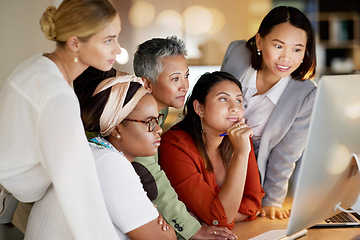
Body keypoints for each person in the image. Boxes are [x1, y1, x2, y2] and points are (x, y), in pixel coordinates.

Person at [74, 36, 238, 240]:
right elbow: (152, 176)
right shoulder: (131, 114)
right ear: (147, 83)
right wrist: (192, 228)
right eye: (175, 78)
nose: (185, 86)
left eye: (186, 76)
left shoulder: (160, 110)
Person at [0, 0, 121, 239]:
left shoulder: (39, 66)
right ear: (75, 43)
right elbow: (79, 192)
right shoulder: (57, 96)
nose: (118, 49)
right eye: (109, 40)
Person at [26, 74, 176, 240]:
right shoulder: (110, 163)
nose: (158, 129)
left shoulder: (94, 153)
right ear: (117, 129)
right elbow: (164, 238)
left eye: (158, 120)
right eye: (150, 122)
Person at [221, 6, 317, 220]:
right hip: (207, 156)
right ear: (260, 41)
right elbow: (213, 98)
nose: (286, 58)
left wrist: (272, 201)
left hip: (249, 175)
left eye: (297, 49)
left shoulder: (305, 94)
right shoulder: (238, 54)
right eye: (278, 46)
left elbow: (286, 154)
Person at [158, 71, 265, 230]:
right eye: (223, 99)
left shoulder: (239, 137)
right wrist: (241, 155)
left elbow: (254, 203)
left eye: (239, 100)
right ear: (199, 108)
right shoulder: (174, 147)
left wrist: (210, 218)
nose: (234, 107)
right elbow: (220, 219)